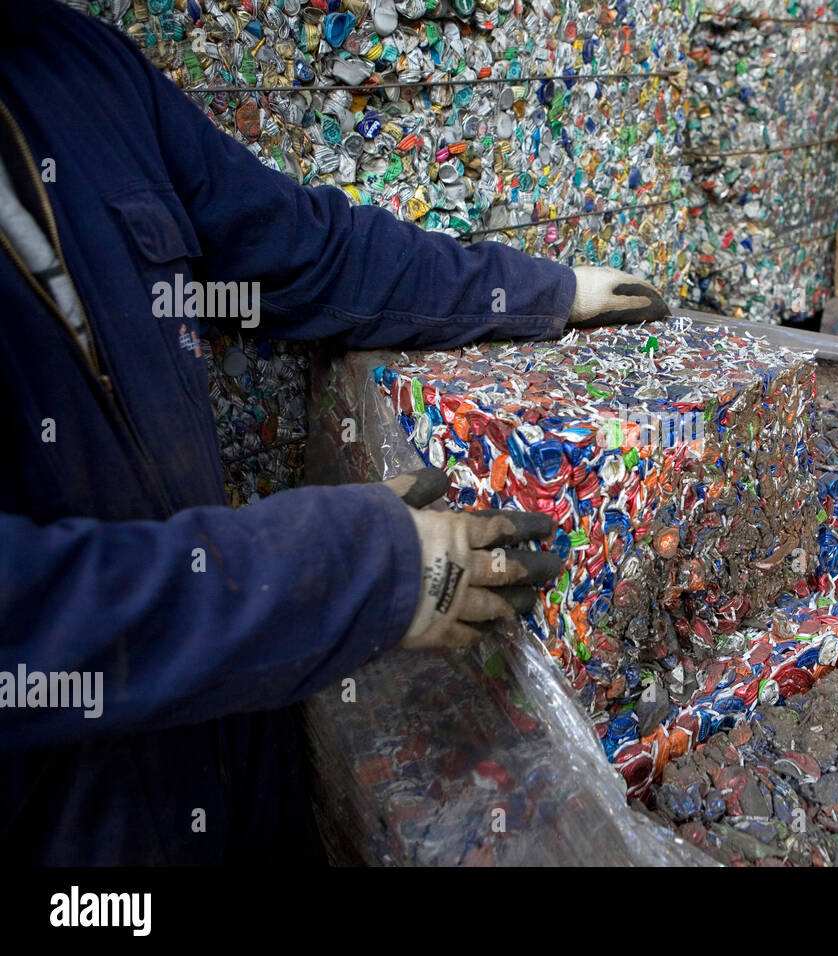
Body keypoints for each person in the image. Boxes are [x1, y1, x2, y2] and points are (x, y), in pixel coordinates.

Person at [0, 1, 670, 864]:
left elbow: (297, 246)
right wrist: (352, 569)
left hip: (235, 747)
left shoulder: (71, 66)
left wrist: (538, 293)